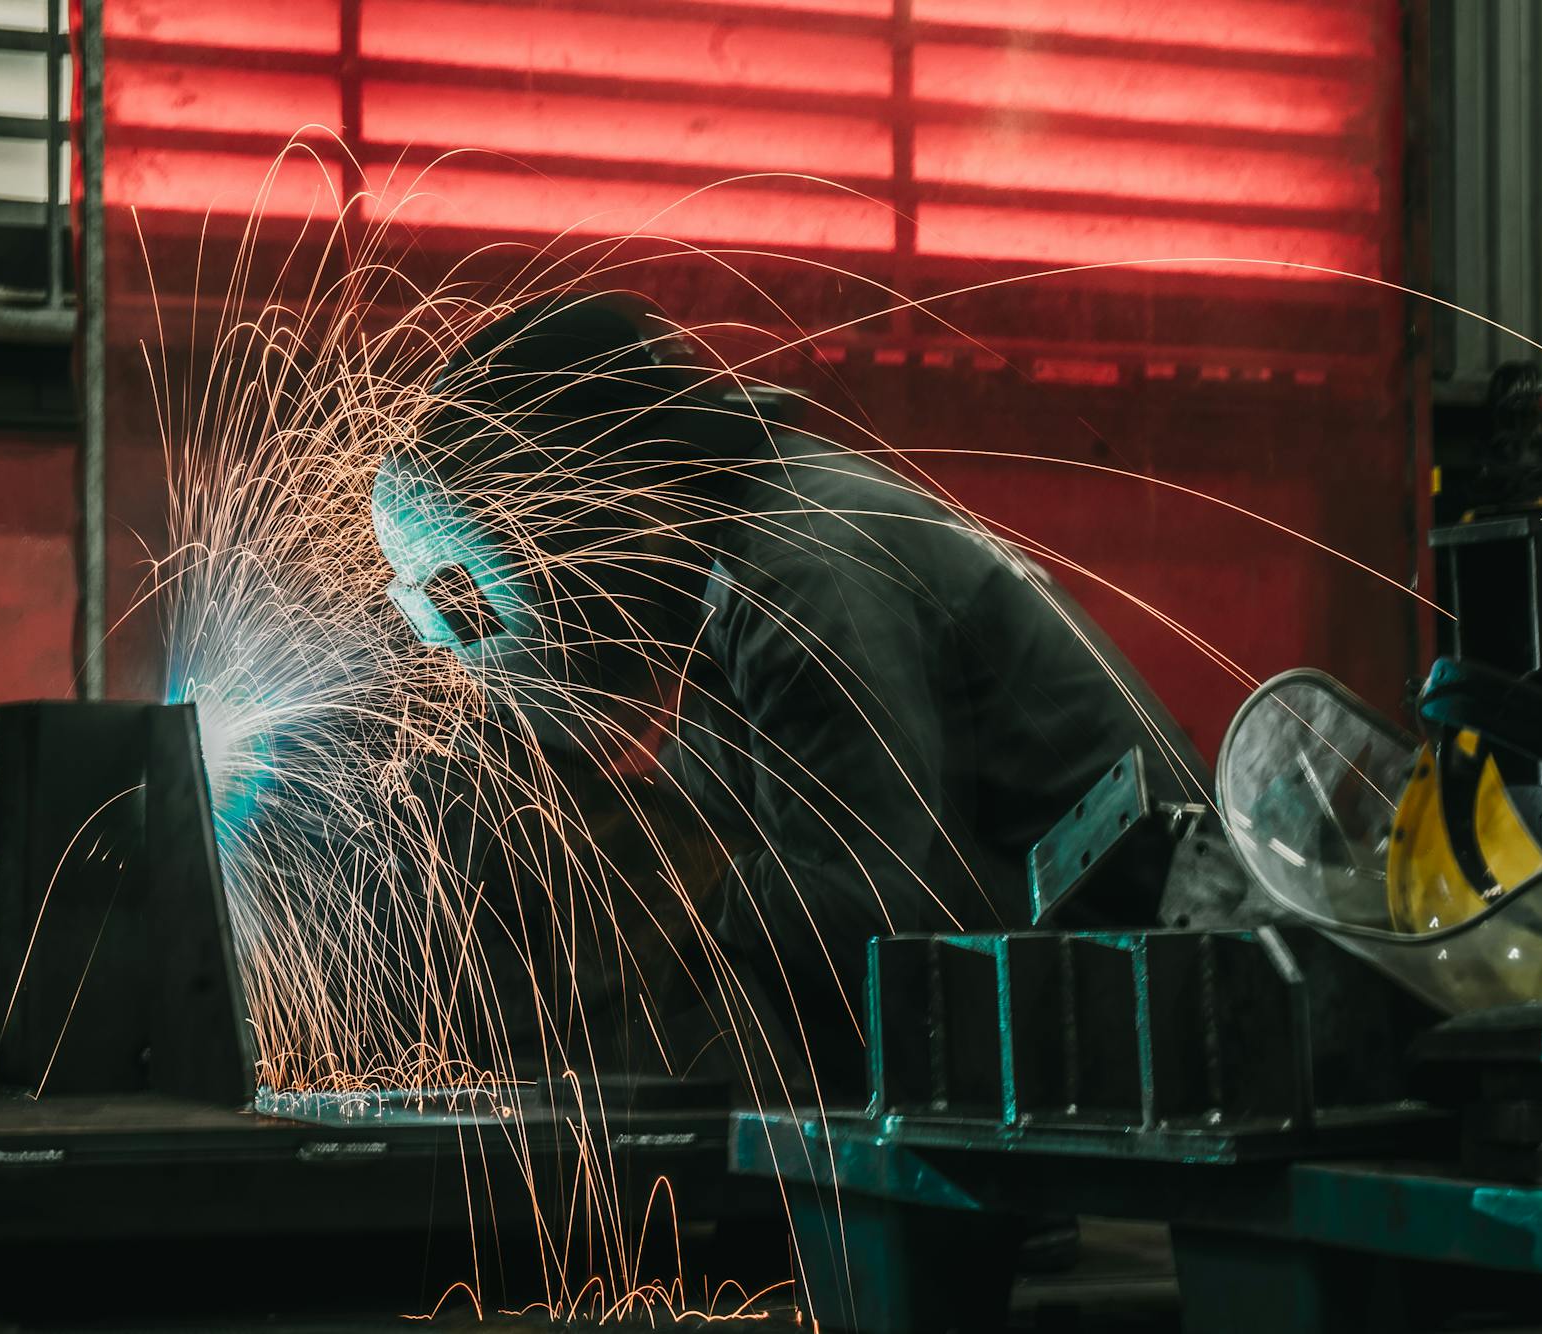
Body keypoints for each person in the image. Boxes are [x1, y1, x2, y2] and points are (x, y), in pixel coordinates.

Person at [371, 291, 1207, 1098]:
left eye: (476, 593)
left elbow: (868, 919)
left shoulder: (798, 569)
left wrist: (659, 884)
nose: (469, 643)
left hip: (1172, 1016)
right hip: (1074, 1014)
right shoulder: (716, 591)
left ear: (591, 509)